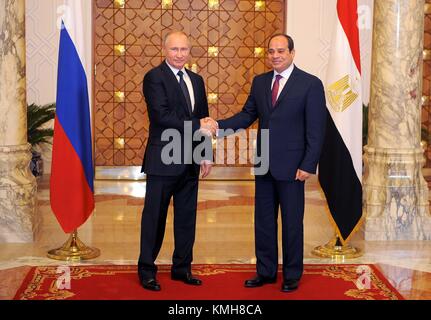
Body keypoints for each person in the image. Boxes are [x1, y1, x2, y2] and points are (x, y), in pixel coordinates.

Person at [208, 34, 327, 292]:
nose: (275, 55)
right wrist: (217, 126)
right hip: (263, 163)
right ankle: (265, 272)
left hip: (294, 166)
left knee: (292, 222)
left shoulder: (310, 84)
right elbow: (247, 115)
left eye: (281, 51)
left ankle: (292, 274)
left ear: (292, 53)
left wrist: (308, 164)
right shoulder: (260, 82)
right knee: (263, 221)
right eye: (271, 51)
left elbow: (316, 129)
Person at [138, 31, 217, 291]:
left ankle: (182, 269)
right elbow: (162, 116)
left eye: (184, 49)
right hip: (163, 160)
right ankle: (147, 270)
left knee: (186, 218)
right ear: (165, 50)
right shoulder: (154, 78)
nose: (180, 54)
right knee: (155, 218)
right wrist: (198, 124)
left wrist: (205, 154)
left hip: (191, 160)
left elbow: (204, 118)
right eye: (174, 49)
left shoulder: (197, 79)